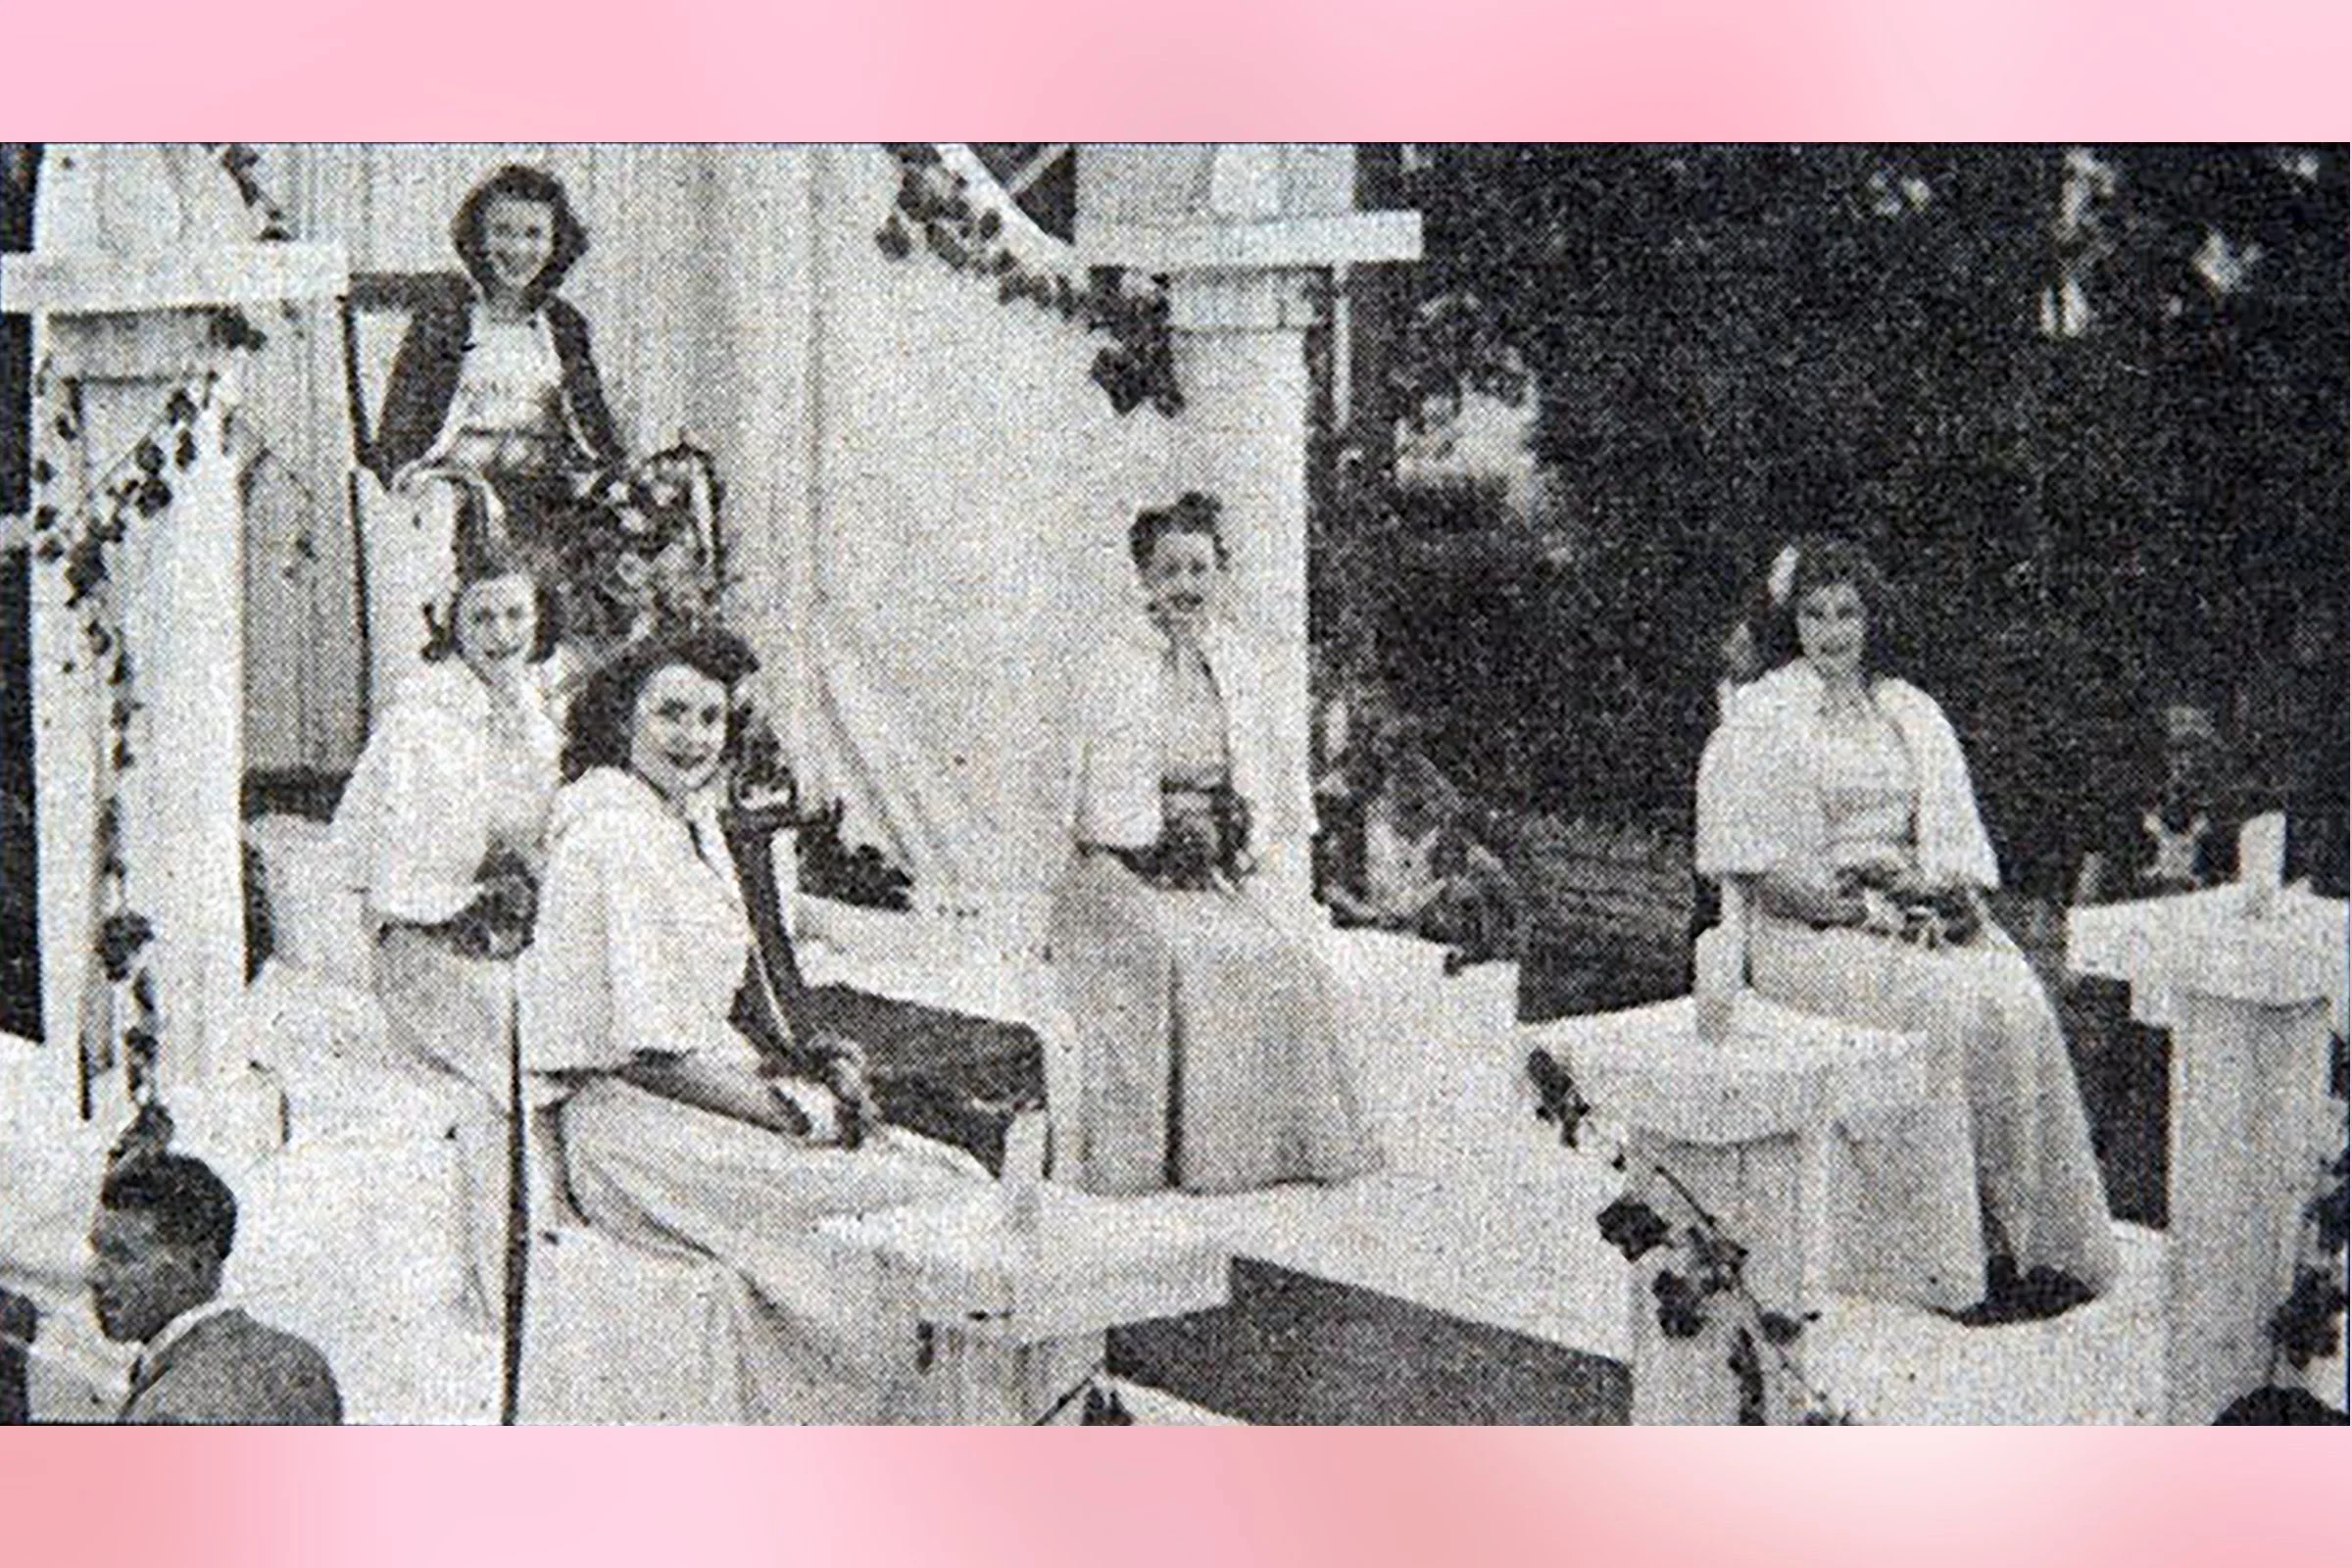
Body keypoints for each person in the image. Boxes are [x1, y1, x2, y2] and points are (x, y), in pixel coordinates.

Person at [519, 627, 987, 1423]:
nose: (692, 738)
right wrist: (789, 1111)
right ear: (621, 718)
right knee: (904, 1203)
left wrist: (805, 1060)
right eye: (670, 713)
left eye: (709, 719)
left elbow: (719, 1000)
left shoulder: (678, 823)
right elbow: (650, 1056)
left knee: (942, 1179)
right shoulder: (611, 838)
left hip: (693, 1097)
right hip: (630, 1132)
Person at [1695, 535, 2120, 1321]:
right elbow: (1759, 872)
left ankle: (2035, 1242)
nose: (1832, 632)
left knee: (2012, 993)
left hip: (1903, 908)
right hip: (1809, 930)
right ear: (1793, 624)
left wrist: (1938, 899)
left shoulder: (1907, 711)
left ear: (1870, 619)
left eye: (1847, 613)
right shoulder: (1766, 715)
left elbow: (1951, 848)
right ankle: (1949, 1264)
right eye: (1815, 615)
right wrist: (1866, 912)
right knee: (1943, 1010)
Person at [1050, 492, 1381, 1197]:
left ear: (1219, 574)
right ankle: (1166, 1159)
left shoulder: (1237, 662)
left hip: (1207, 861)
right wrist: (1146, 838)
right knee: (1174, 952)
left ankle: (1263, 1153)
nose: (1185, 587)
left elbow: (1261, 773)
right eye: (1169, 571)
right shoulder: (1112, 663)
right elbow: (1081, 792)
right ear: (1144, 579)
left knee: (1279, 953)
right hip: (1119, 866)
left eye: (1199, 569)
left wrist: (1234, 833)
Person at [330, 509, 564, 1324]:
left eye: (516, 615)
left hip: (511, 934)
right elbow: (403, 881)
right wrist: (475, 904)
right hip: (426, 946)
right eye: (483, 617)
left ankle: (570, 1267)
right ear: (453, 626)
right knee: (518, 1063)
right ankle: (504, 1286)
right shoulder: (422, 723)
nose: (501, 634)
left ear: (539, 621)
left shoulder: (541, 719)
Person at [371, 164, 623, 524]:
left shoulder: (566, 326)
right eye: (502, 231)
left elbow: (595, 431)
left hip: (545, 501)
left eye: (534, 234)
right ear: (479, 238)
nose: (518, 248)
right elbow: (398, 434)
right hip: (450, 501)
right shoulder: (443, 320)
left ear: (556, 243)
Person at [88, 1152, 342, 1424]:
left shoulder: (169, 1407)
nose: (96, 1276)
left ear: (198, 1265)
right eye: (97, 1254)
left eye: (122, 1256)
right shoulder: (298, 1361)